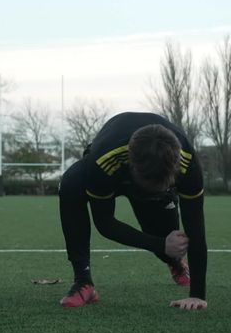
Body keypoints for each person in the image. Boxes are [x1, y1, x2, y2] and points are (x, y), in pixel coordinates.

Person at [58, 112, 207, 310]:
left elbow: (196, 229)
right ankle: (83, 281)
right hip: (115, 174)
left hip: (155, 183)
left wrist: (197, 295)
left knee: (168, 240)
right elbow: (104, 223)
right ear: (132, 167)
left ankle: (175, 262)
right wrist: (161, 244)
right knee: (70, 184)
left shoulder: (188, 163)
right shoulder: (104, 160)